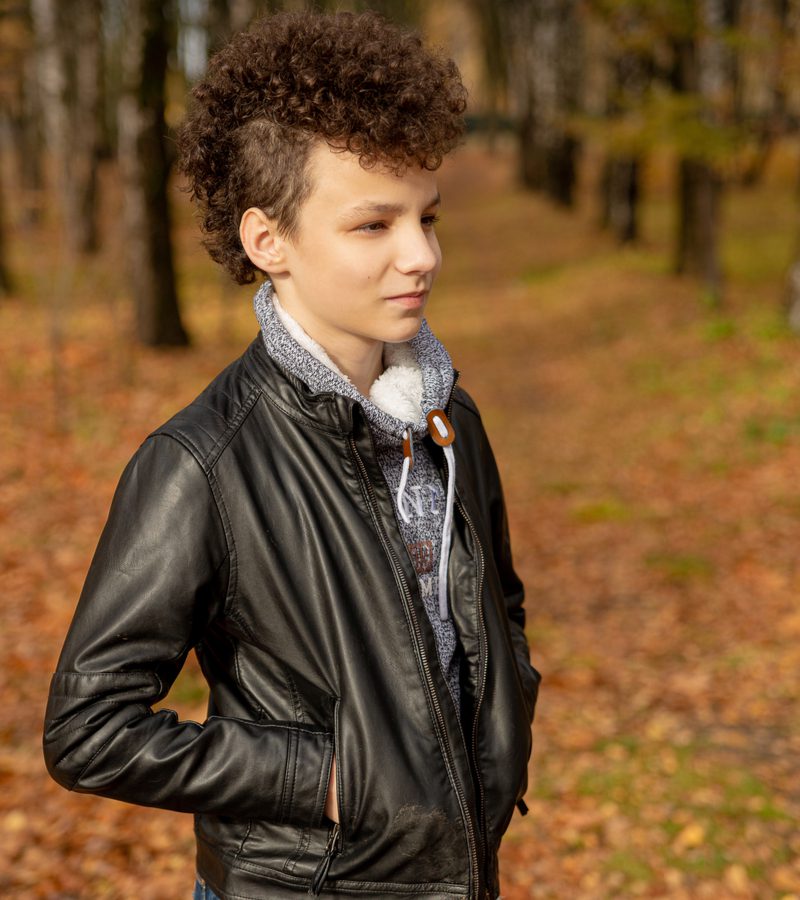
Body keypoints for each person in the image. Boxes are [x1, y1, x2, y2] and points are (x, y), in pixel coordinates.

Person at [42, 10, 540, 900]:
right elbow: (88, 727)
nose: (421, 254)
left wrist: (506, 719)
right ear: (267, 240)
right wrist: (325, 778)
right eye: (372, 226)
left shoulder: (447, 413)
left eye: (427, 216)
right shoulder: (202, 466)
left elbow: (495, 602)